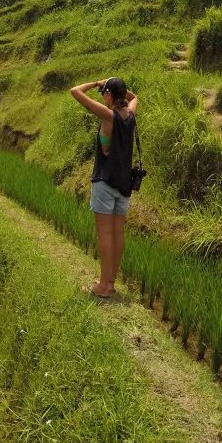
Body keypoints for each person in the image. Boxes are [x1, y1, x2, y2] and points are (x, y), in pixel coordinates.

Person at [69, 77, 139, 298]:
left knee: (105, 234)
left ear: (109, 95)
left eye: (104, 94)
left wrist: (95, 83)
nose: (102, 97)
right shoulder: (131, 115)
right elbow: (134, 97)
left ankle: (103, 286)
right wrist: (116, 87)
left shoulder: (108, 115)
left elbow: (75, 91)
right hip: (124, 185)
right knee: (118, 233)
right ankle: (111, 282)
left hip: (105, 182)